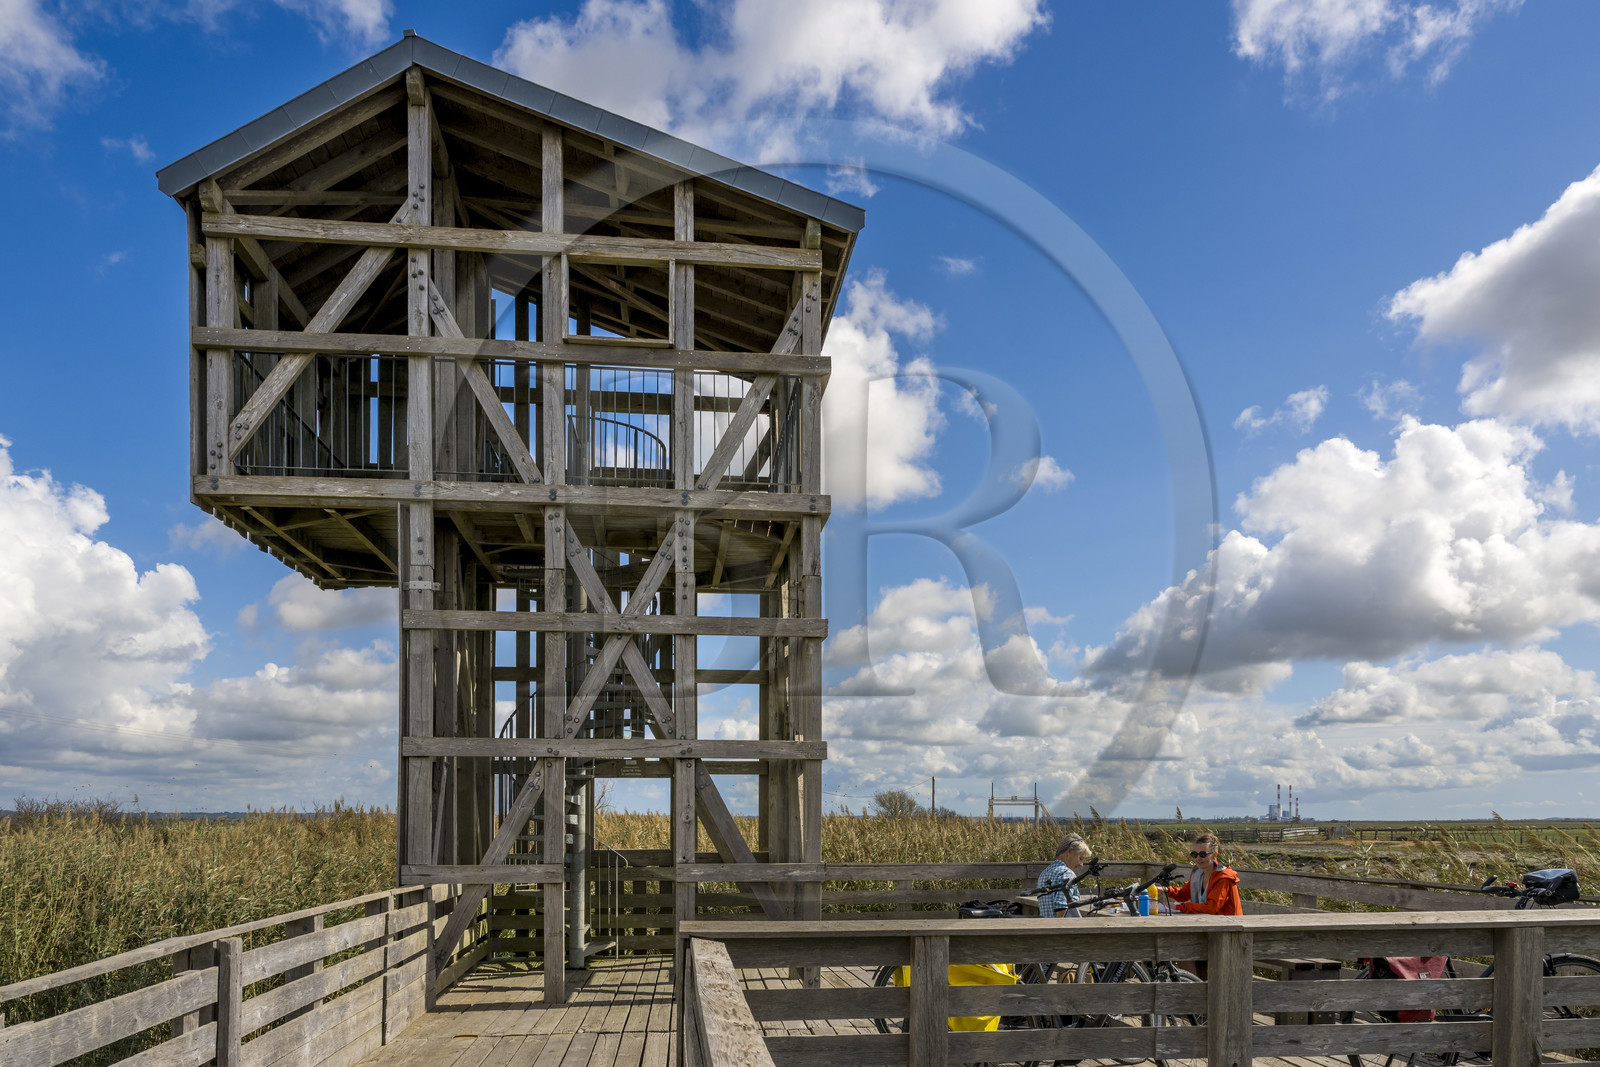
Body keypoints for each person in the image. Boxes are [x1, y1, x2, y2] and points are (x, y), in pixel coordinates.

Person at [1161, 832, 1242, 915]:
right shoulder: (1197, 872)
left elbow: (1211, 908)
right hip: (1206, 922)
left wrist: (1178, 907)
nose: (1198, 858)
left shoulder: (1224, 877)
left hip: (1230, 925)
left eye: (1202, 854)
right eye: (1195, 854)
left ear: (1215, 855)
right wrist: (1164, 890)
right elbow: (1184, 894)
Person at [1036, 833, 1093, 918]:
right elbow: (1061, 910)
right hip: (1062, 929)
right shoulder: (1066, 873)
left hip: (1046, 927)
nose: (1081, 864)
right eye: (1080, 858)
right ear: (1069, 851)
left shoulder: (1045, 872)